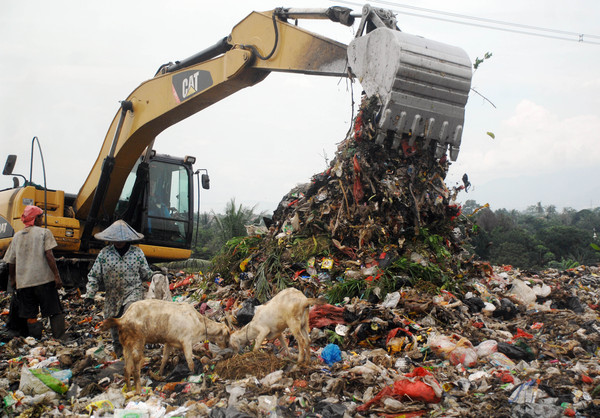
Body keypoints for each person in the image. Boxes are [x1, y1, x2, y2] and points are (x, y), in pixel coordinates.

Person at [84, 220, 153, 356]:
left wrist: (157, 276)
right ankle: (120, 355)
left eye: (122, 239)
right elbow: (94, 275)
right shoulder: (104, 254)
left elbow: (146, 273)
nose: (119, 242)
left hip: (132, 292)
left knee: (129, 320)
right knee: (114, 327)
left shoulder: (137, 253)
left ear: (128, 239)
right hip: (112, 296)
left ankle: (133, 352)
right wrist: (90, 295)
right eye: (115, 239)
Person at [2, 205, 65, 340]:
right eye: (40, 217)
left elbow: (11, 262)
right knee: (54, 311)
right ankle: (60, 339)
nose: (42, 219)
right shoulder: (44, 233)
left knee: (31, 315)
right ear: (35, 219)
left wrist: (13, 280)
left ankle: (35, 341)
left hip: (24, 284)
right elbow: (49, 255)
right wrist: (56, 276)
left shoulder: (17, 236)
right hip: (44, 281)